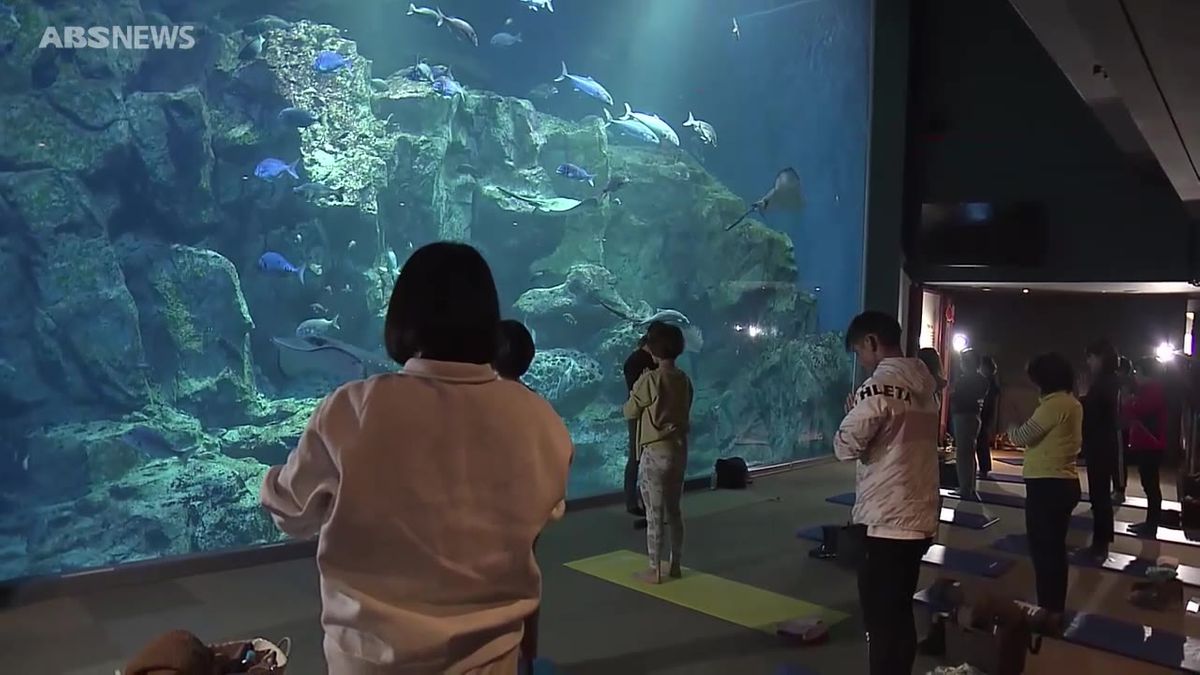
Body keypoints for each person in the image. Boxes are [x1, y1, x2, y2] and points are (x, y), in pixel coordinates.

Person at [260, 242, 574, 674]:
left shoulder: (352, 408)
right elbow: (547, 510)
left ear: (403, 318)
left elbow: (291, 511)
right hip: (488, 662)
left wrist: (273, 478)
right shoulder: (539, 419)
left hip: (369, 663)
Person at [834, 311, 939, 675]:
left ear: (872, 343)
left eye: (859, 351)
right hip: (920, 514)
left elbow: (846, 446)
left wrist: (851, 415)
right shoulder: (926, 386)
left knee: (880, 621)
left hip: (886, 520)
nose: (861, 360)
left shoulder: (874, 388)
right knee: (900, 611)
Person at [1008, 352, 1082, 618]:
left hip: (1048, 485)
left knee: (1044, 552)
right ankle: (1053, 609)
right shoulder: (1069, 402)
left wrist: (1011, 423)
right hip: (1062, 483)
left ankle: (1049, 611)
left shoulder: (1054, 405)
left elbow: (1022, 437)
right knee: (1054, 550)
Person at [624, 322, 693, 585]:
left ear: (651, 350)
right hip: (678, 450)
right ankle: (675, 564)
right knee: (674, 511)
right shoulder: (684, 379)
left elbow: (630, 410)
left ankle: (655, 569)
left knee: (654, 513)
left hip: (654, 452)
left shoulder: (649, 380)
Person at [1082, 339, 1120, 559]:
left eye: (1091, 357)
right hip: (1102, 442)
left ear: (1100, 358)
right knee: (1100, 495)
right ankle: (1101, 541)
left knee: (1100, 496)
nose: (1088, 362)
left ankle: (1100, 544)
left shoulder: (1105, 382)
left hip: (1101, 443)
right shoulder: (1107, 381)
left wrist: (1083, 400)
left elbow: (1097, 413)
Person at [1123, 357, 1169, 535]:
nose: (1135, 376)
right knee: (1149, 483)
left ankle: (1152, 524)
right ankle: (1150, 522)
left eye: (1137, 372)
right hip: (1148, 443)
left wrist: (1128, 401)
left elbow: (1137, 410)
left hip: (1151, 444)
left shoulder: (1153, 390)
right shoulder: (1150, 390)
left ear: (1145, 373)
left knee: (1150, 485)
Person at [622, 328, 661, 527]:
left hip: (646, 414)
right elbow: (635, 392)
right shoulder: (637, 361)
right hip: (639, 414)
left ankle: (639, 501)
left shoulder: (647, 360)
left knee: (639, 457)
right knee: (637, 456)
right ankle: (633, 501)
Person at [949, 348, 989, 498]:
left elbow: (957, 397)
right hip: (974, 416)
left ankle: (965, 488)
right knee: (969, 453)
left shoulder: (965, 380)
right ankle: (969, 487)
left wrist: (953, 393)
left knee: (963, 454)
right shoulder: (982, 380)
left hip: (963, 416)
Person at [1113, 356, 1135, 503]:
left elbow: (1125, 405)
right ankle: (1117, 488)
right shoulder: (1121, 384)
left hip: (1121, 426)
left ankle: (1120, 490)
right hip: (1118, 425)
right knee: (1116, 459)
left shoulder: (1125, 384)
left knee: (1120, 459)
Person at [976, 355, 1000, 479]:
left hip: (984, 413)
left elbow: (988, 400)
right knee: (982, 440)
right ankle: (984, 467)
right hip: (987, 413)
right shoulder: (991, 381)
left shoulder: (988, 382)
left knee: (981, 440)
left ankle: (984, 468)